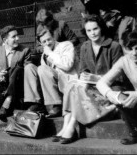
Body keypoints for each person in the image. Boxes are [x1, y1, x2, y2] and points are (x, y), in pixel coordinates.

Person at [53, 14, 124, 144]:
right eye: (89, 30)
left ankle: (71, 126)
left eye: (95, 29)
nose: (92, 33)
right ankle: (65, 126)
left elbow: (119, 77)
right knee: (72, 84)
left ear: (101, 28)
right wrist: (85, 77)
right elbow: (82, 70)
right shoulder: (85, 46)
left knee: (78, 88)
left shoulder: (114, 46)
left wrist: (96, 78)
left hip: (108, 93)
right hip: (89, 90)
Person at [97, 31, 137, 145]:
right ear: (124, 48)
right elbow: (101, 83)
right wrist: (110, 95)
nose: (134, 53)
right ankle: (136, 132)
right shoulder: (124, 61)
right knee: (117, 94)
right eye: (129, 49)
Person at [24, 28, 79, 116]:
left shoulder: (66, 45)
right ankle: (36, 103)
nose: (47, 43)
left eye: (49, 39)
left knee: (42, 68)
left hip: (67, 84)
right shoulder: (44, 55)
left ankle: (56, 104)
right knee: (29, 67)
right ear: (40, 43)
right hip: (54, 85)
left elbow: (67, 65)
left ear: (53, 37)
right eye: (44, 41)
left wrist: (50, 53)